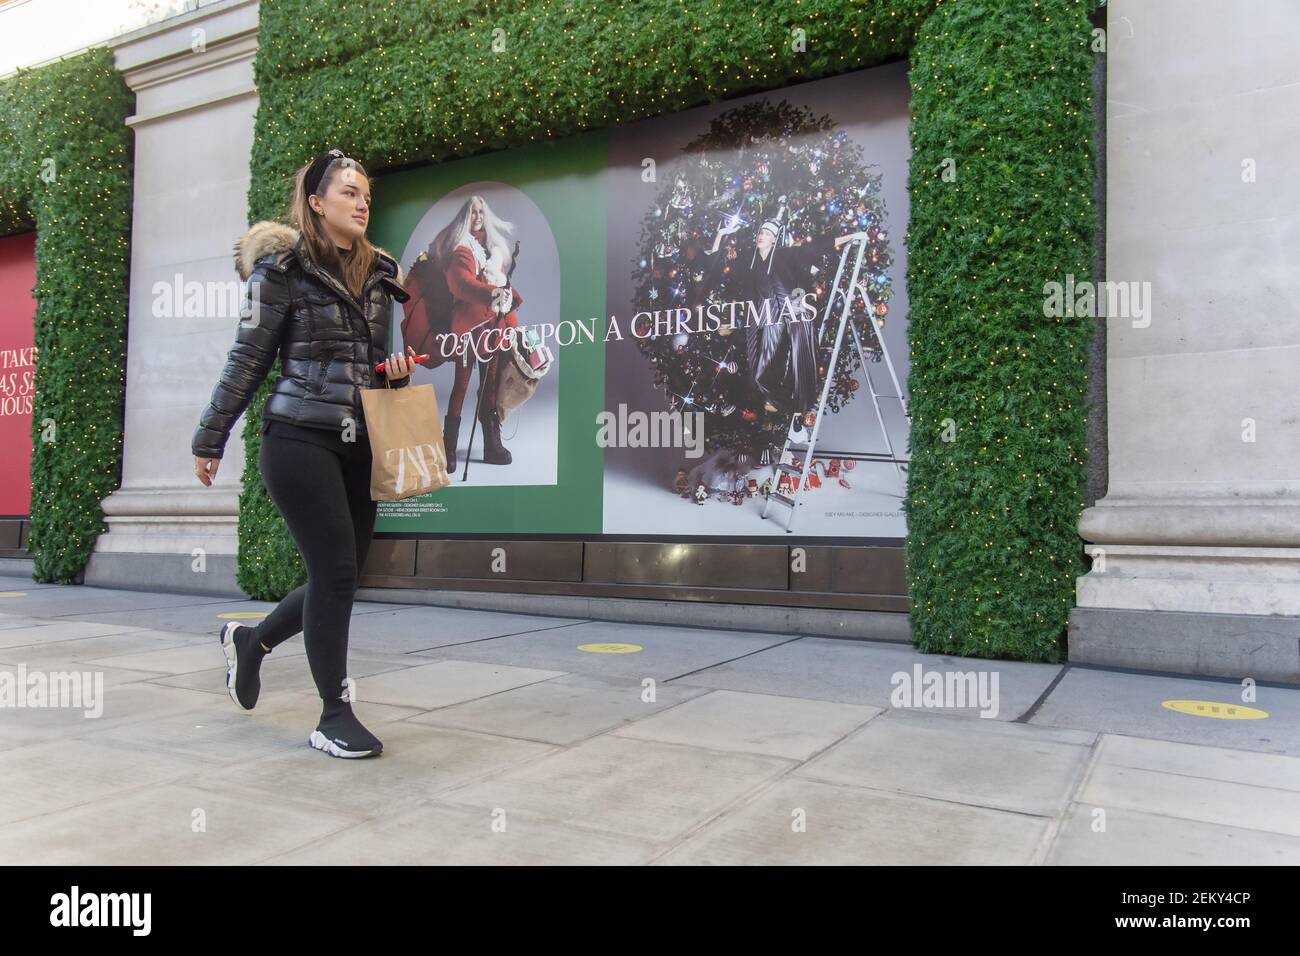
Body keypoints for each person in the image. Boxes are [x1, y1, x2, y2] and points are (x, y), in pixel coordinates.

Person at [191, 148, 417, 759]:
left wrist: (391, 377)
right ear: (315, 202)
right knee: (337, 574)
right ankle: (333, 715)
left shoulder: (379, 274)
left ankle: (251, 643)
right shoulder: (282, 271)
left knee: (337, 578)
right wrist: (211, 435)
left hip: (359, 440)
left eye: (366, 192)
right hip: (298, 437)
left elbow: (367, 369)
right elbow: (248, 358)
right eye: (348, 191)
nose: (362, 201)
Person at [704, 216, 854, 415]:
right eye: (760, 233)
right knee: (757, 373)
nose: (761, 237)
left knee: (779, 367)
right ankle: (784, 403)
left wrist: (853, 236)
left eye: (767, 234)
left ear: (774, 239)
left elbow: (817, 247)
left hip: (786, 316)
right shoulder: (748, 261)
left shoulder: (786, 255)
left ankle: (796, 404)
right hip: (760, 320)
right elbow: (716, 259)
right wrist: (721, 234)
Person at [429, 195, 523, 468]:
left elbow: (499, 283)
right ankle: (448, 447)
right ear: (465, 217)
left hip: (492, 327)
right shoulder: (460, 250)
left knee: (490, 386)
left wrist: (504, 298)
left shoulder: (493, 250)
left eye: (481, 211)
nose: (478, 217)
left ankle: (492, 444)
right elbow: (462, 285)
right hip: (469, 329)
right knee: (461, 384)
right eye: (472, 212)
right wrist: (495, 292)